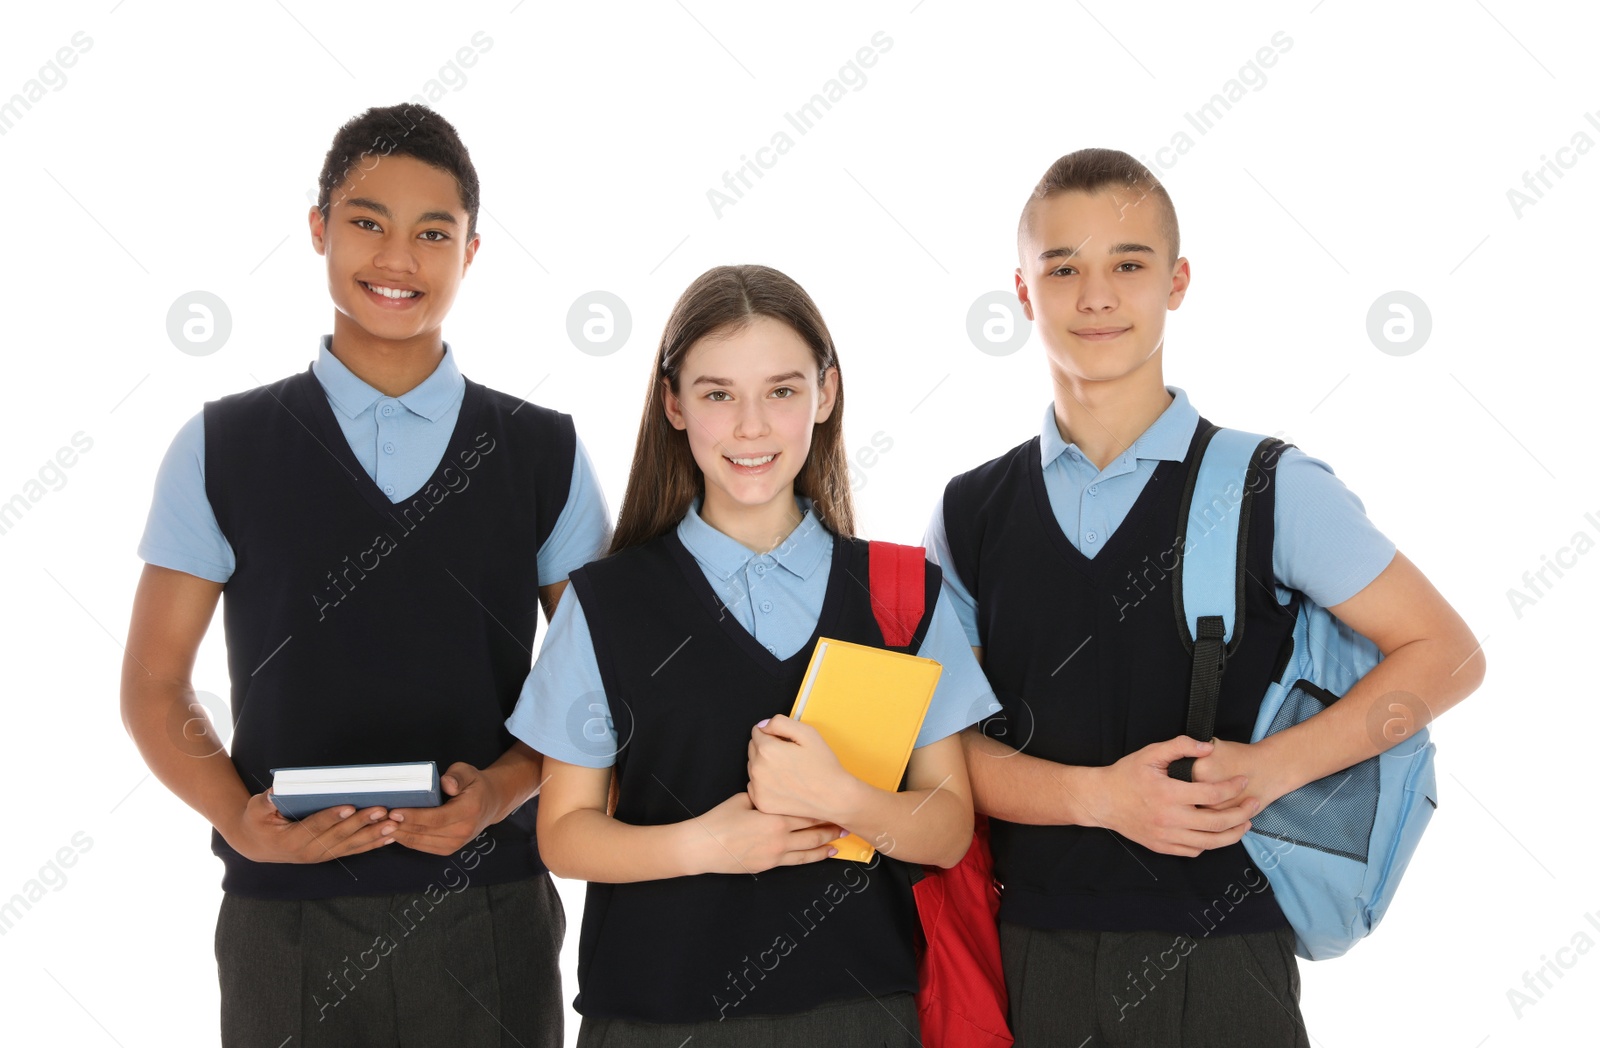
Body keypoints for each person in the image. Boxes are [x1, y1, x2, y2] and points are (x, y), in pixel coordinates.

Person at [928, 148, 1486, 1047]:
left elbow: (1447, 654)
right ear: (1023, 294)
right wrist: (1099, 797)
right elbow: (945, 749)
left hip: (1225, 959)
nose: (1096, 295)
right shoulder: (971, 512)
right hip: (1027, 959)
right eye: (1062, 268)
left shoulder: (1272, 487)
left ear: (1177, 282)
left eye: (1129, 264)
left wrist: (1273, 768)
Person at [119, 103, 608, 1047]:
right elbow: (152, 683)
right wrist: (240, 819)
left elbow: (596, 682)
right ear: (319, 229)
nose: (398, 259)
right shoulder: (223, 446)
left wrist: (501, 793)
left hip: (490, 912)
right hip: (285, 922)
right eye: (368, 222)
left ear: (472, 252)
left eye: (434, 232)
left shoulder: (540, 452)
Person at [506, 263, 999, 1046]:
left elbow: (947, 827)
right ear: (673, 404)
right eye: (716, 394)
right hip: (654, 1020)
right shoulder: (606, 603)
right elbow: (563, 833)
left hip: (862, 1016)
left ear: (825, 395)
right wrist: (707, 844)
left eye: (781, 390)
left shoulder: (902, 594)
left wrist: (842, 797)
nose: (750, 427)